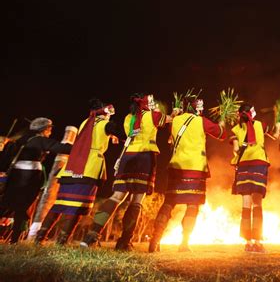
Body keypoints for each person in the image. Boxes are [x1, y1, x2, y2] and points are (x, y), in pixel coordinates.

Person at [81, 93, 169, 251]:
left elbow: (129, 136)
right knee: (136, 201)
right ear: (146, 103)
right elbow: (170, 120)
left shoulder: (129, 117)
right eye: (151, 101)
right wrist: (175, 113)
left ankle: (92, 235)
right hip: (145, 158)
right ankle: (124, 242)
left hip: (127, 156)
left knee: (116, 197)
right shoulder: (154, 115)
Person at [148, 94, 226, 253]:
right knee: (193, 205)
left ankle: (155, 239)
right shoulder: (201, 121)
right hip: (196, 168)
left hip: (176, 167)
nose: (202, 109)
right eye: (200, 106)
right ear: (194, 107)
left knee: (169, 202)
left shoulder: (175, 120)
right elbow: (221, 134)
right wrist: (222, 122)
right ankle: (184, 243)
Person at [35, 99, 118, 245]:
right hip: (88, 168)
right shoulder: (105, 124)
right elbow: (118, 130)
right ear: (104, 111)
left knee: (59, 203)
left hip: (72, 166)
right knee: (78, 207)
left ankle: (40, 237)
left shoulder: (86, 122)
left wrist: (110, 135)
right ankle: (62, 240)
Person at [0, 117, 72, 243]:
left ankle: (13, 238)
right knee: (22, 208)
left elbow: (6, 157)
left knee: (7, 205)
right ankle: (14, 240)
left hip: (14, 176)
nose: (50, 132)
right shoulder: (40, 140)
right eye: (49, 129)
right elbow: (63, 148)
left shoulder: (19, 140)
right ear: (44, 129)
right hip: (30, 176)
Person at [229, 103, 270, 253]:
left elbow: (235, 149)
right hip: (259, 164)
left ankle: (248, 242)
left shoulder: (236, 129)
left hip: (244, 165)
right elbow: (275, 134)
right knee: (257, 203)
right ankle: (258, 242)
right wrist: (278, 124)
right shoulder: (260, 125)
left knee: (246, 204)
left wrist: (240, 149)